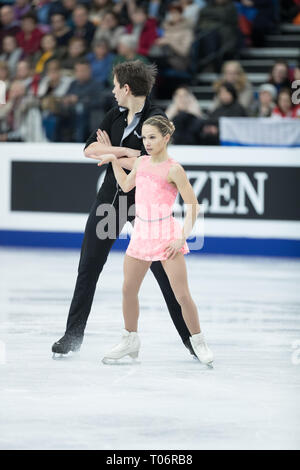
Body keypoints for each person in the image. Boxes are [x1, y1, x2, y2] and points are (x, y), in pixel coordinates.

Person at [51, 60, 199, 359]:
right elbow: (89, 150)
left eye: (116, 87)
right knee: (88, 266)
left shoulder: (155, 119)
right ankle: (72, 334)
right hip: (110, 201)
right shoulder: (115, 114)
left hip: (146, 208)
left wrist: (115, 154)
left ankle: (191, 341)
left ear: (127, 88)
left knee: (166, 277)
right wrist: (124, 151)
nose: (114, 92)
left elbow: (151, 165)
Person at [94, 115, 214, 366]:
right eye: (144, 137)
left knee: (181, 295)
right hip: (141, 234)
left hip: (166, 236)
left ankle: (198, 341)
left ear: (166, 138)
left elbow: (193, 206)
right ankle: (130, 340)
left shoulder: (174, 169)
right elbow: (126, 186)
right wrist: (115, 160)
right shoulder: (141, 162)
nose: (147, 142)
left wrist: (180, 237)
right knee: (128, 289)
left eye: (152, 137)